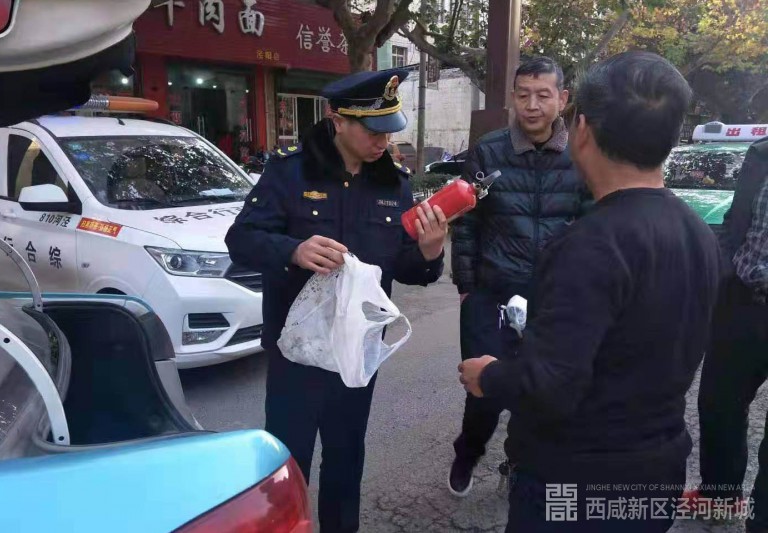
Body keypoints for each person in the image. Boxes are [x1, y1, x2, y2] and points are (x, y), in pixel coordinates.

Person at [458, 51, 722, 532]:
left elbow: (551, 386)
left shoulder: (587, 245)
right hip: (656, 475)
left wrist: (489, 376)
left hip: (573, 484)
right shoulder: (698, 232)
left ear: (581, 128)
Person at [225, 68, 447, 533]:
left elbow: (405, 267)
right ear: (337, 120)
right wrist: (293, 250)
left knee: (346, 457)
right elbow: (240, 240)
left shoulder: (393, 184)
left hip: (356, 352)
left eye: (389, 130)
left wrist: (429, 252)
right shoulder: (290, 172)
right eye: (372, 130)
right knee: (288, 463)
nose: (383, 142)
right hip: (297, 352)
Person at [448, 56, 589, 496]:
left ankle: (519, 461)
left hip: (553, 298)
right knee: (484, 386)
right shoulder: (488, 150)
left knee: (543, 388)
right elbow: (466, 221)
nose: (532, 105)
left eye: (543, 95)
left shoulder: (581, 155)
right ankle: (468, 452)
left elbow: (590, 224)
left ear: (562, 99)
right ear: (512, 97)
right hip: (492, 292)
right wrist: (467, 286)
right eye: (523, 95)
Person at [687, 137, 768, 532]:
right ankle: (720, 498)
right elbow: (737, 221)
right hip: (743, 300)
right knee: (719, 404)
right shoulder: (761, 154)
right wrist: (722, 267)